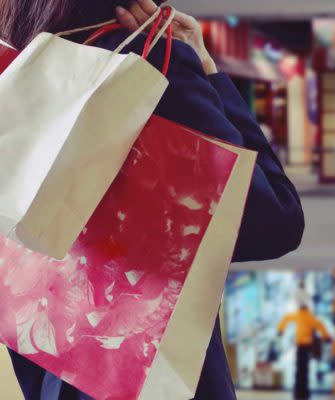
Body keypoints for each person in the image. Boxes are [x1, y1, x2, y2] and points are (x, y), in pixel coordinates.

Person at [1, 1, 305, 399]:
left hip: (51, 374)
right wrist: (208, 70)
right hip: (146, 376)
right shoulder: (150, 67)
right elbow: (275, 222)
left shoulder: (18, 73)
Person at [278, 305, 331, 400]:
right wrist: (326, 337)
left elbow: (285, 318)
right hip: (307, 346)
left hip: (299, 345)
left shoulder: (297, 315)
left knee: (299, 369)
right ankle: (304, 393)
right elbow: (320, 325)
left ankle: (298, 393)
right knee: (305, 370)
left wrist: (280, 330)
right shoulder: (310, 317)